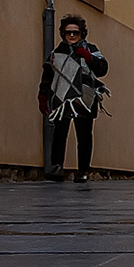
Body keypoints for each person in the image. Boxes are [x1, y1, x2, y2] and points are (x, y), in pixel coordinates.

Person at [40, 16, 107, 183]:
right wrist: (42, 96)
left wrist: (88, 57)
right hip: (62, 98)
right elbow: (47, 75)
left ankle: (83, 171)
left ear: (81, 33)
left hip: (85, 98)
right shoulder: (56, 53)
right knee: (59, 133)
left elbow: (102, 69)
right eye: (68, 32)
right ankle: (57, 167)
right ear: (63, 33)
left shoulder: (90, 49)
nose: (71, 35)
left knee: (84, 135)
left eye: (75, 32)